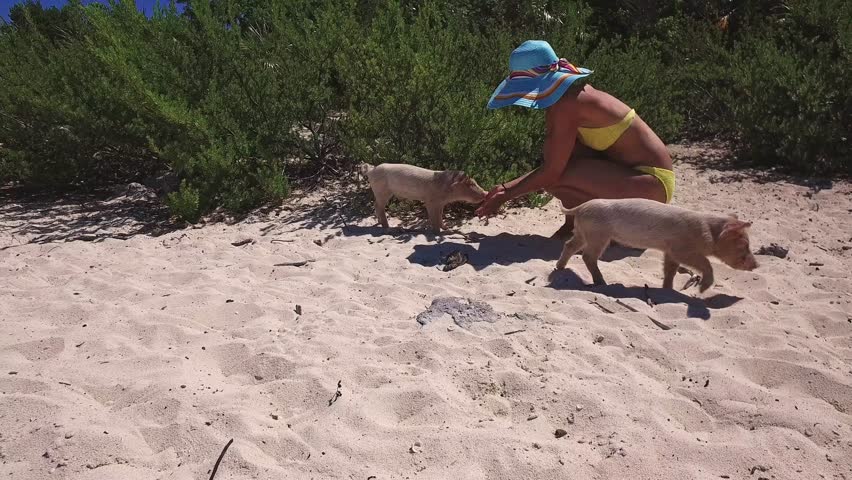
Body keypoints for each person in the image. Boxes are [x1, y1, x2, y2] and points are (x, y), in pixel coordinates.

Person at [475, 40, 675, 238]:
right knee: (562, 161)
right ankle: (576, 226)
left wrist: (506, 194)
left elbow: (552, 172)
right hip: (648, 185)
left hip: (652, 186)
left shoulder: (566, 107)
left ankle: (587, 229)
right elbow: (557, 163)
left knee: (556, 176)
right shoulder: (574, 95)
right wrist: (504, 189)